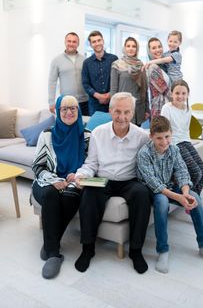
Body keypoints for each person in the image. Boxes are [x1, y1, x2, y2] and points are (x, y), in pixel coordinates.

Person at [74, 92, 152, 274]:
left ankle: (135, 251)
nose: (122, 117)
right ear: (110, 111)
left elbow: (149, 162)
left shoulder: (141, 136)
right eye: (117, 111)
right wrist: (81, 175)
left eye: (126, 112)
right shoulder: (98, 133)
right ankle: (87, 249)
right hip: (104, 179)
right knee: (89, 194)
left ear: (132, 113)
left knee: (142, 194)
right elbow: (91, 163)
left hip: (129, 180)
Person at [137, 116, 203, 273]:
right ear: (151, 137)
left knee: (195, 197)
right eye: (159, 138)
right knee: (162, 202)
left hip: (171, 187)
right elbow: (154, 184)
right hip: (153, 191)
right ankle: (163, 250)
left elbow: (182, 172)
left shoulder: (174, 149)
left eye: (167, 137)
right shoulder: (144, 154)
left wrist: (185, 193)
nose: (164, 142)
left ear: (172, 134)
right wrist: (180, 198)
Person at [31, 95, 91, 279]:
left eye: (73, 108)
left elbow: (91, 164)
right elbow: (37, 166)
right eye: (64, 108)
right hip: (46, 182)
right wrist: (53, 180)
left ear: (78, 111)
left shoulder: (87, 136)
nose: (69, 112)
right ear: (57, 111)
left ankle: (50, 243)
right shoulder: (47, 135)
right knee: (51, 194)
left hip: (73, 183)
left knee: (70, 196)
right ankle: (54, 255)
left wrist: (77, 176)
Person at [161, 79, 203, 195]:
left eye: (183, 93)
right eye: (177, 93)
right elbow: (164, 131)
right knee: (196, 173)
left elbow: (185, 130)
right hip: (174, 144)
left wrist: (190, 145)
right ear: (171, 94)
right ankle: (188, 198)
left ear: (188, 94)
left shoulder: (188, 109)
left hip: (185, 141)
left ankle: (193, 199)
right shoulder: (167, 108)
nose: (180, 96)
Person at [48, 32, 90, 116]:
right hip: (67, 102)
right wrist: (51, 102)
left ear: (78, 44)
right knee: (69, 127)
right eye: (69, 41)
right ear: (65, 42)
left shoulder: (85, 60)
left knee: (85, 126)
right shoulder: (56, 60)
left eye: (74, 42)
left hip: (85, 102)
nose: (71, 44)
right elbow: (52, 82)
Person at [110, 37, 149, 126]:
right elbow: (113, 89)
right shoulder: (117, 65)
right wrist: (113, 109)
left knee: (136, 136)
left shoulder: (141, 65)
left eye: (134, 46)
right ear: (124, 48)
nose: (131, 48)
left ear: (137, 49)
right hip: (122, 107)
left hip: (138, 107)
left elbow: (144, 89)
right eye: (128, 46)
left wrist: (147, 109)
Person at [81, 30, 119, 115]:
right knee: (95, 128)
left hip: (112, 102)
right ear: (90, 45)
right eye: (94, 42)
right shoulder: (87, 63)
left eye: (99, 40)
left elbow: (118, 80)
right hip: (94, 104)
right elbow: (85, 83)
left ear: (103, 41)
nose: (97, 43)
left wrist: (109, 95)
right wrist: (99, 96)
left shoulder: (114, 59)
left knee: (113, 127)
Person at [145, 37, 171, 118]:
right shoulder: (152, 68)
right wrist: (180, 98)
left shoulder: (165, 66)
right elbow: (165, 89)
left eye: (159, 46)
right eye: (154, 48)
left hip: (168, 105)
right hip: (159, 108)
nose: (158, 50)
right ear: (149, 51)